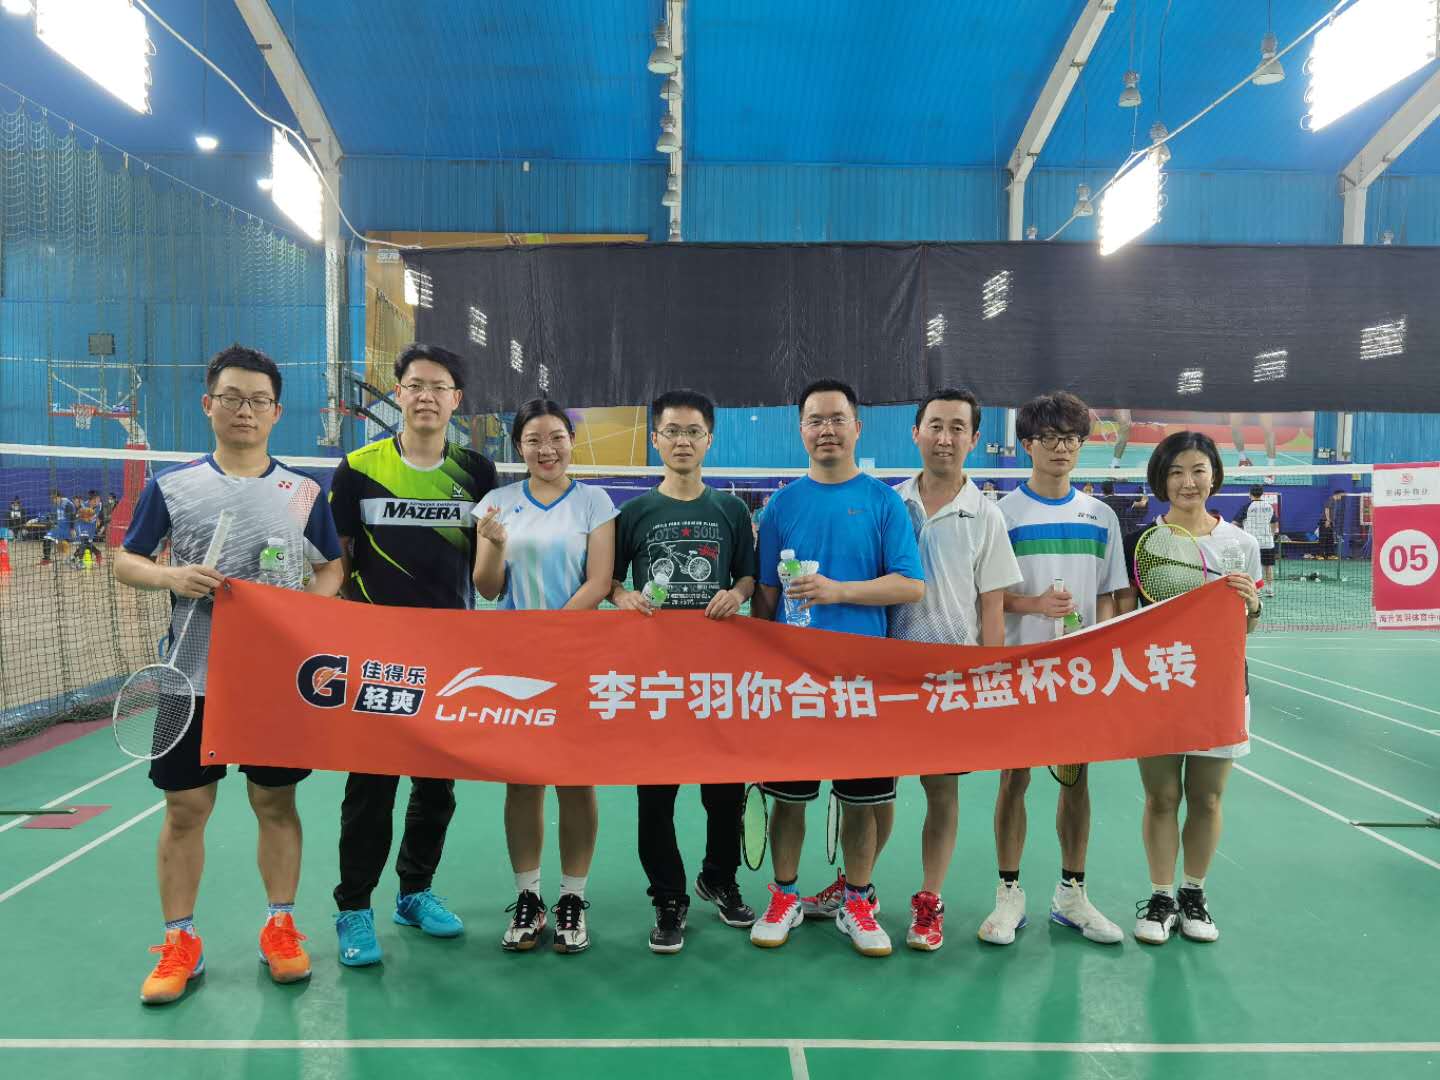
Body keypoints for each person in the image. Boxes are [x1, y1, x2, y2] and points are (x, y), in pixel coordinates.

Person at [115, 344, 344, 1005]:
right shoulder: (172, 486)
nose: (245, 410)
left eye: (259, 400)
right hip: (189, 679)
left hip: (272, 682)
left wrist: (303, 611)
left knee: (276, 803)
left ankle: (281, 927)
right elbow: (126, 559)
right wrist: (171, 576)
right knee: (186, 809)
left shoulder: (303, 492)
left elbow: (331, 566)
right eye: (233, 398)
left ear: (276, 412)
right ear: (208, 404)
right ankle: (180, 940)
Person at [328, 343, 499, 967]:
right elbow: (336, 560)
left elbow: (487, 569)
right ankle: (354, 907)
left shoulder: (477, 472)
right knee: (370, 788)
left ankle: (415, 892)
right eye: (415, 385)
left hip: (450, 655)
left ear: (457, 400)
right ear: (397, 393)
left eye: (439, 387)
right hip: (377, 656)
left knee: (437, 787)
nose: (426, 396)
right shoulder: (357, 468)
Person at [749, 378, 925, 958]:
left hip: (863, 680)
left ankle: (856, 899)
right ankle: (785, 896)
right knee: (790, 799)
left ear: (857, 427)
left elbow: (910, 585)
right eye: (815, 420)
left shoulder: (884, 502)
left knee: (861, 801)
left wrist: (838, 591)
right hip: (796, 680)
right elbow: (766, 597)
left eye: (836, 419)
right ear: (801, 430)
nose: (826, 429)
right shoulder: (781, 505)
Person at [609, 389, 758, 953]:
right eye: (672, 431)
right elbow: (611, 580)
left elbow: (746, 576)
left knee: (724, 792)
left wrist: (735, 594)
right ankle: (668, 897)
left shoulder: (731, 510)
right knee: (657, 794)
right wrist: (622, 597)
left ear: (709, 439)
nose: (682, 441)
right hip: (656, 678)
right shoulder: (634, 514)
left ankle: (718, 877)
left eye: (693, 431)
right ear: (656, 439)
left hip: (717, 677)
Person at [474, 399, 618, 954]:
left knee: (576, 780)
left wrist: (552, 636)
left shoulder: (594, 502)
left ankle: (573, 898)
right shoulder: (497, 504)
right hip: (517, 662)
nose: (547, 449)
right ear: (519, 447)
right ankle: (528, 897)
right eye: (534, 440)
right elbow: (488, 587)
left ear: (571, 442)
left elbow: (599, 581)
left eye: (556, 437)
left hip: (576, 656)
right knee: (523, 780)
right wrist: (494, 545)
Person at [987, 391, 1128, 948]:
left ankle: (1072, 894)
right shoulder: (1002, 515)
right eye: (1049, 438)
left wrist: (1100, 647)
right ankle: (1008, 894)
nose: (1061, 448)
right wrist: (1035, 606)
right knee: (1014, 778)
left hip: (1079, 676)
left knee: (1077, 780)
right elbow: (988, 598)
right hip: (1021, 670)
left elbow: (1112, 596)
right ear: (1028, 445)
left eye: (1070, 438)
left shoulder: (1101, 516)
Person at [888, 389, 1022, 952]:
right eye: (935, 426)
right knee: (872, 791)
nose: (945, 438)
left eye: (957, 428)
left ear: (974, 439)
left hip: (949, 681)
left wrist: (988, 678)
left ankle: (930, 898)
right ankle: (856, 886)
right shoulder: (889, 503)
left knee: (942, 792)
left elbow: (992, 606)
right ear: (916, 432)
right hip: (886, 675)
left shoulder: (986, 514)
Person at [1119, 432, 1262, 945]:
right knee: (1161, 796)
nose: (1188, 481)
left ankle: (1193, 894)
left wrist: (1253, 606)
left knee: (1207, 798)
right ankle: (1160, 897)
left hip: (1220, 687)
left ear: (1214, 476)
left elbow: (1246, 627)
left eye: (1198, 469)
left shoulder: (1241, 545)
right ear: (1161, 479)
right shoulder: (1139, 543)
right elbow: (1123, 622)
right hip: (1159, 683)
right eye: (1176, 471)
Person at [1235, 485, 1278, 595]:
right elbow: (1274, 523)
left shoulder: (1246, 507)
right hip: (1267, 543)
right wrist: (1272, 536)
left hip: (1252, 544)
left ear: (1250, 494)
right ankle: (1270, 589)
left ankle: (1256, 590)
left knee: (1252, 567)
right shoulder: (1269, 507)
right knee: (1268, 566)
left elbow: (1235, 523)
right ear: (1262, 494)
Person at [41, 489, 74, 565]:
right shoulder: (57, 504)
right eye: (52, 498)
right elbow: (59, 517)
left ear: (59, 497)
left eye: (54, 498)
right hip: (59, 527)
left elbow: (72, 516)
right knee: (46, 539)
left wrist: (72, 529)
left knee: (61, 546)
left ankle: (72, 558)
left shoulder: (67, 504)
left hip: (66, 529)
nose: (52, 500)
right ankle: (47, 559)